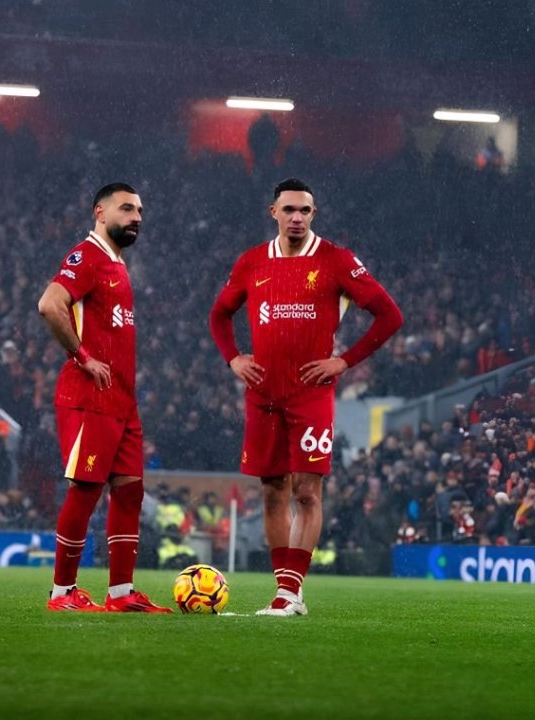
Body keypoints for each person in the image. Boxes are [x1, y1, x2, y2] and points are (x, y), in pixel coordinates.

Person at [209, 178, 403, 616]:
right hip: (262, 394)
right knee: (272, 490)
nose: (297, 218)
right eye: (289, 210)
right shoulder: (252, 262)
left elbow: (390, 315)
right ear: (273, 212)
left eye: (305, 211)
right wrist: (233, 358)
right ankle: (284, 592)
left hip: (310, 395)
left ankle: (290, 593)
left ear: (314, 214)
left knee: (307, 491)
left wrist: (344, 361)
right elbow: (219, 315)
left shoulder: (337, 260)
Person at [36, 183, 171, 613]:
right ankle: (62, 593)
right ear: (100, 212)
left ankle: (121, 593)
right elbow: (49, 304)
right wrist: (83, 356)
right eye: (126, 209)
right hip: (89, 397)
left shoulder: (116, 263)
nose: (136, 218)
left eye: (140, 211)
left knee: (130, 492)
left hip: (122, 402)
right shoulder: (87, 256)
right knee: (86, 490)